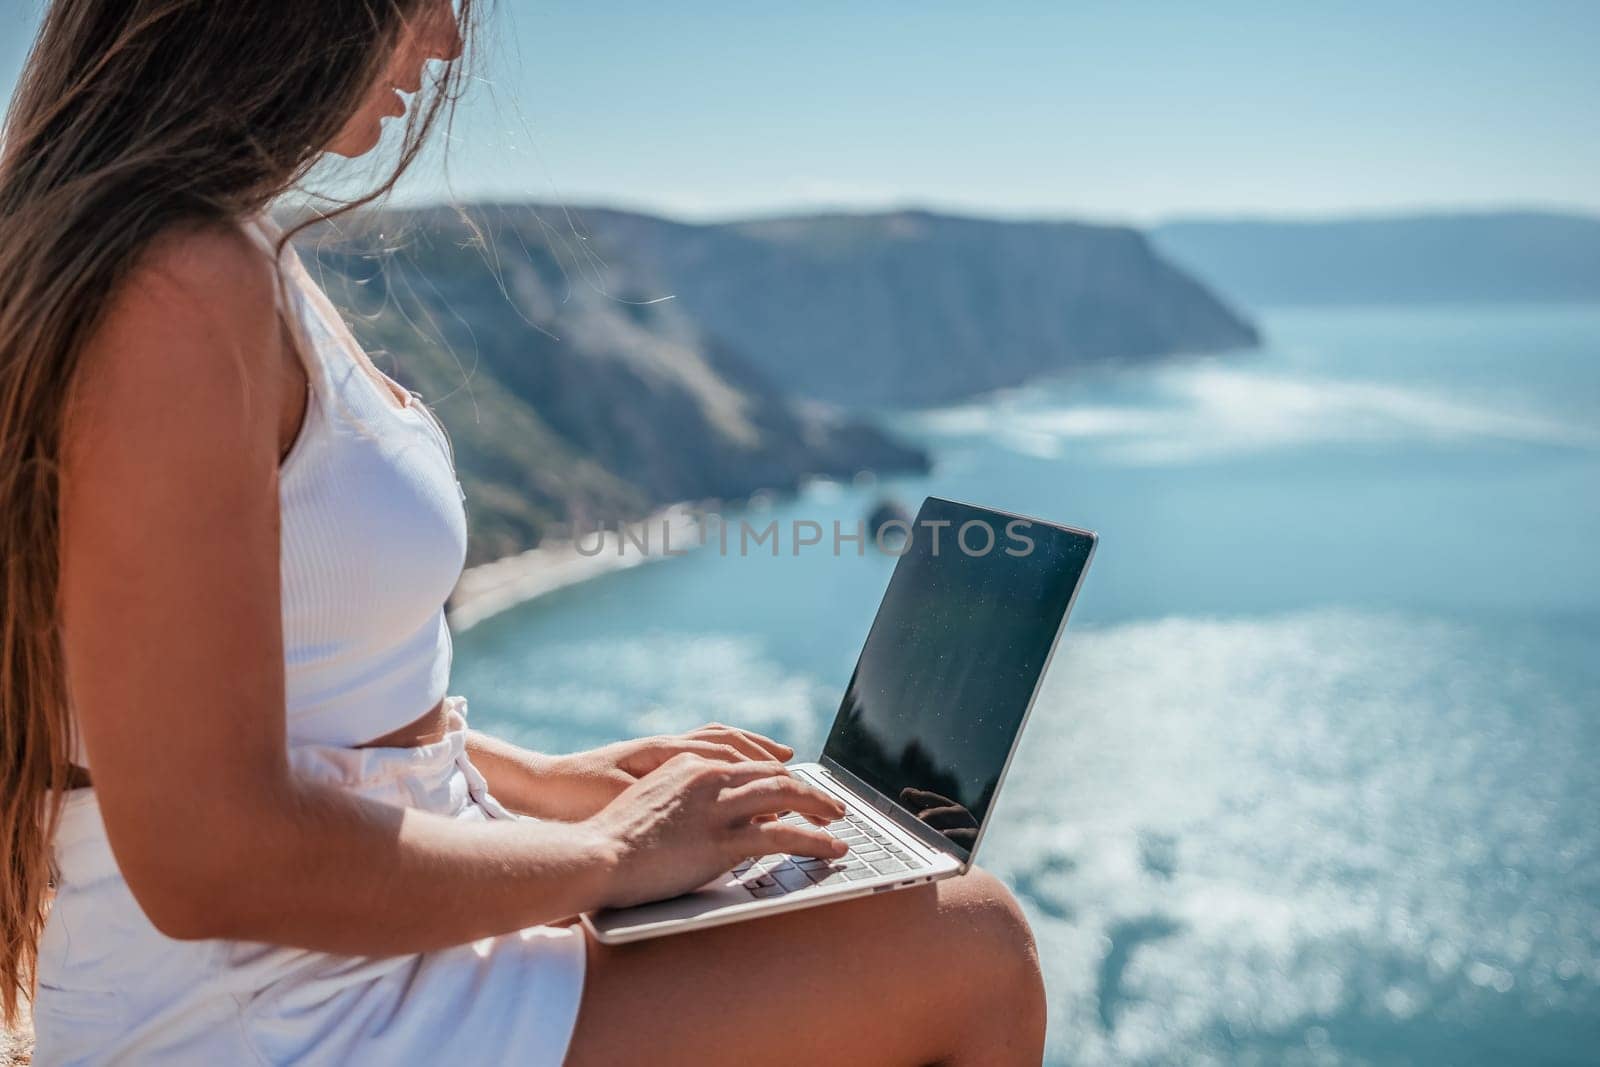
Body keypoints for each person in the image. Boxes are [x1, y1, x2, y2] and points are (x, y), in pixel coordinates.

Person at [0, 2, 1047, 1063]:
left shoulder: (209, 252)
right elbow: (205, 854)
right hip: (276, 1010)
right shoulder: (178, 284)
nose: (448, 39)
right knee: (972, 946)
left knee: (910, 901)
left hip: (326, 964)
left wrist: (554, 779)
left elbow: (295, 704)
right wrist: (607, 851)